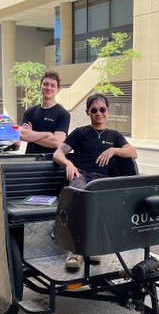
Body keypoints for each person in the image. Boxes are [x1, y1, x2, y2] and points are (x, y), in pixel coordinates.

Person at [52, 93, 138, 269]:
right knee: (80, 199)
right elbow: (58, 153)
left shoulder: (115, 136)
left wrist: (113, 150)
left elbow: (132, 153)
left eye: (102, 109)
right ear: (87, 112)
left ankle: (93, 247)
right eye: (94, 110)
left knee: (101, 202)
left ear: (108, 111)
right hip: (80, 176)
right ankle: (76, 251)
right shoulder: (80, 133)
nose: (98, 113)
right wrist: (68, 163)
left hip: (102, 181)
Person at [20, 71, 71, 154]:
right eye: (46, 84)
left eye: (53, 85)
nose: (48, 88)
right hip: (30, 160)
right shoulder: (30, 112)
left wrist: (31, 134)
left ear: (58, 89)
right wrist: (47, 134)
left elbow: (57, 142)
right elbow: (21, 134)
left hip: (51, 162)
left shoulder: (63, 114)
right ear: (41, 86)